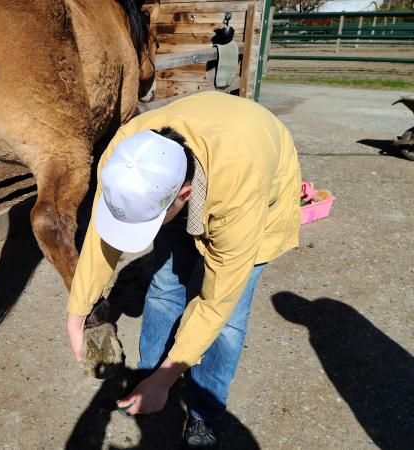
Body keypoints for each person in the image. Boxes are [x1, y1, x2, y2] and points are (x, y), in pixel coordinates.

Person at [66, 91, 301, 449]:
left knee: (229, 320)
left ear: (186, 194)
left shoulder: (240, 189)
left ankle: (204, 412)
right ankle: (149, 378)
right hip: (188, 178)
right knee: (164, 286)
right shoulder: (125, 154)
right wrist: (77, 311)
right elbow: (104, 233)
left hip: (254, 186)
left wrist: (168, 378)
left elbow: (216, 301)